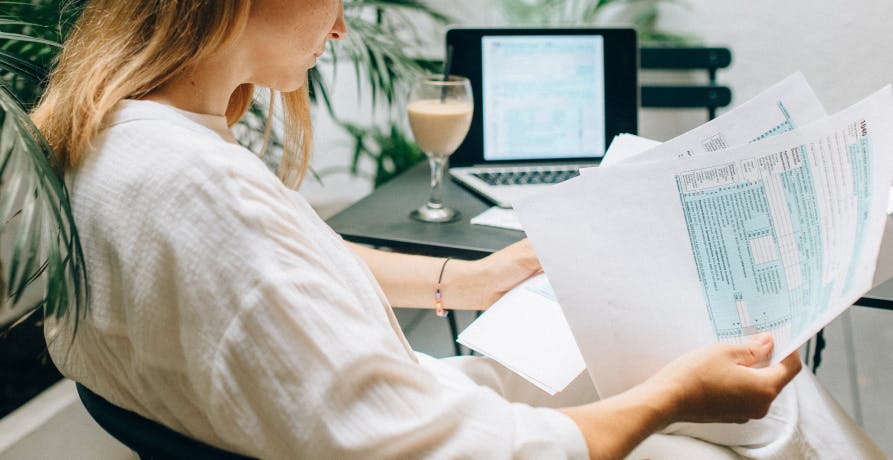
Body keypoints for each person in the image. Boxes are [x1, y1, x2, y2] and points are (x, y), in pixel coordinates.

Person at [32, 1, 885, 458]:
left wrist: (467, 281)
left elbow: (283, 267)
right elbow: (433, 448)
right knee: (762, 403)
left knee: (744, 388)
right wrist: (669, 400)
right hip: (424, 426)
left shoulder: (118, 138)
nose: (338, 27)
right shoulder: (193, 186)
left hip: (375, 400)